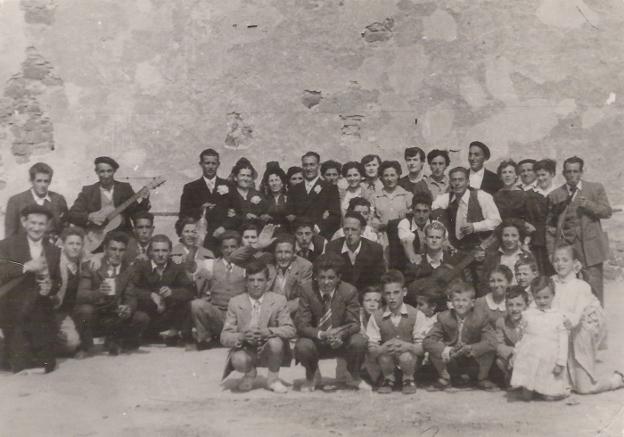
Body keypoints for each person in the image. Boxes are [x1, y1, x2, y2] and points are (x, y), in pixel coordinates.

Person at [551, 245, 624, 394]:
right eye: (556, 260)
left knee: (584, 388)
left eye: (565, 260)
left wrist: (564, 320)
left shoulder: (581, 286)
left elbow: (576, 316)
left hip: (579, 335)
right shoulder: (550, 283)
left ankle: (616, 380)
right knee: (556, 385)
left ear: (575, 263)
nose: (560, 264)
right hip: (558, 336)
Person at [294, 253, 369, 392]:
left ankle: (354, 375)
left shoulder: (349, 291)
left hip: (340, 340)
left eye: (331, 277)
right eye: (321, 277)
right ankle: (311, 376)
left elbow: (354, 323)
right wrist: (322, 334)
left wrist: (341, 334)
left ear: (339, 278)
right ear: (315, 277)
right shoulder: (307, 290)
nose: (326, 282)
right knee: (302, 345)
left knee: (358, 341)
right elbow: (302, 325)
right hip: (316, 340)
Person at [0, 204, 60, 373]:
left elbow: (58, 281)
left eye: (41, 224)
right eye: (32, 223)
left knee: (47, 362)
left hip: (41, 309)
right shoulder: (7, 245)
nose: (36, 228)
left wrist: (50, 287)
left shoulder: (54, 250)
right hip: (12, 308)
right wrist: (25, 267)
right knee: (19, 362)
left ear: (47, 225)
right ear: (24, 222)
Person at [221, 260, 295, 393]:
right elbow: (224, 336)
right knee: (237, 359)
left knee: (276, 343)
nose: (256, 284)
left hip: (269, 349)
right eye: (252, 280)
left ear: (267, 282)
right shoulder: (235, 302)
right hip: (247, 349)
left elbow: (290, 329)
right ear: (246, 282)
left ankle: (273, 379)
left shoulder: (278, 300)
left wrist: (268, 332)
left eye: (260, 280)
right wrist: (242, 336)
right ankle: (249, 373)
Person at [546, 156, 611, 303]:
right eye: (568, 172)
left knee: (594, 289)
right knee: (567, 290)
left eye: (575, 171)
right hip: (566, 249)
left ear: (581, 172)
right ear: (563, 173)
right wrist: (551, 251)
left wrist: (589, 205)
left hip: (590, 249)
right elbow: (550, 227)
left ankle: (596, 323)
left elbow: (607, 212)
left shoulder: (595, 188)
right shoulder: (555, 195)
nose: (572, 175)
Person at [75, 231, 148, 355]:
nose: (117, 254)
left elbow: (130, 296)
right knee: (85, 310)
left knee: (141, 318)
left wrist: (128, 308)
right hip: (96, 314)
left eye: (121, 250)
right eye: (113, 249)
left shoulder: (128, 270)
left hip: (115, 314)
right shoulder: (92, 266)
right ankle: (86, 346)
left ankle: (120, 341)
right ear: (105, 249)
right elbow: (81, 295)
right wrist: (99, 292)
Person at [423, 281, 498, 391]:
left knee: (489, 350)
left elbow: (492, 341)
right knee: (434, 348)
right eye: (457, 300)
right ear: (451, 302)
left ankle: (482, 378)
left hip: (472, 358)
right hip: (452, 359)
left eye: (464, 300)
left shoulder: (481, 317)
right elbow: (427, 341)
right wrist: (447, 350)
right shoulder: (444, 317)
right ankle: (445, 378)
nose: (460, 304)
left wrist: (471, 348)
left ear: (472, 303)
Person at [366, 270, 427, 394]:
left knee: (406, 356)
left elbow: (422, 348)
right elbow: (371, 349)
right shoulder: (376, 316)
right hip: (387, 362)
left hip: (410, 362)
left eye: (396, 292)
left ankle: (408, 379)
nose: (392, 297)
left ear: (404, 292)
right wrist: (382, 348)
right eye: (388, 293)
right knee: (383, 356)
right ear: (383, 295)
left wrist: (407, 346)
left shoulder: (416, 315)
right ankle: (388, 378)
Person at [128, 234, 194, 345]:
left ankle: (175, 333)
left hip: (168, 314)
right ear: (150, 252)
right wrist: (151, 295)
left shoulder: (177, 266)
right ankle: (145, 334)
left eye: (164, 251)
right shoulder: (141, 266)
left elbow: (189, 291)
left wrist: (172, 292)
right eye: (156, 250)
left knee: (186, 303)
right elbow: (131, 289)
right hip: (148, 312)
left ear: (169, 252)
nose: (160, 255)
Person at [510, 276, 569, 401]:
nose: (542, 301)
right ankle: (530, 388)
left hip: (549, 359)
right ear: (533, 297)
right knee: (526, 395)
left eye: (546, 297)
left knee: (549, 396)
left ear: (553, 295)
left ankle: (548, 390)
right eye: (538, 298)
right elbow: (522, 337)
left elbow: (563, 342)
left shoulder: (558, 316)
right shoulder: (528, 314)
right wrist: (516, 354)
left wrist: (560, 362)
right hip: (531, 356)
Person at [190, 231, 247, 349]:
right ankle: (205, 339)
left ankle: (232, 338)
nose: (229, 250)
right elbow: (191, 266)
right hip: (218, 313)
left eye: (233, 247)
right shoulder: (211, 264)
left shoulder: (246, 266)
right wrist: (193, 248)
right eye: (225, 247)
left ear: (239, 248)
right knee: (197, 304)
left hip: (239, 316)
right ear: (220, 249)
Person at [67, 156, 150, 236]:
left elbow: (136, 214)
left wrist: (145, 200)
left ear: (114, 171)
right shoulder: (88, 191)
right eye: (102, 171)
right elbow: (72, 214)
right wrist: (89, 217)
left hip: (122, 237)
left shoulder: (124, 188)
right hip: (96, 238)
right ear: (96, 172)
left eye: (109, 171)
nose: (106, 175)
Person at [432, 166, 501, 253]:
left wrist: (474, 226)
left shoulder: (481, 196)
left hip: (481, 249)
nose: (457, 183)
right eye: (454, 180)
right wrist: (444, 238)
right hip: (458, 250)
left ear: (468, 182)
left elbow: (496, 221)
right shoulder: (447, 198)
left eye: (461, 180)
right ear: (450, 183)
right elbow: (433, 212)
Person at [178, 148, 234, 250]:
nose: (210, 167)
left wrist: (224, 227)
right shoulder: (190, 187)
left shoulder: (228, 186)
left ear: (218, 164)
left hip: (222, 239)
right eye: (207, 163)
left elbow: (238, 214)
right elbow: (183, 214)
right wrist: (200, 209)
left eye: (213, 163)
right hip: (200, 239)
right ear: (201, 164)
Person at [5, 162, 68, 240]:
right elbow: (10, 235)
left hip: (52, 247)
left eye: (46, 181)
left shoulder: (58, 200)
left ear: (50, 181)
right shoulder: (16, 201)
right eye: (39, 181)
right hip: (24, 248)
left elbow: (65, 228)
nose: (43, 185)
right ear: (31, 181)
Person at [325, 212, 385, 291]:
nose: (349, 233)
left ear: (362, 230)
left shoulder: (374, 249)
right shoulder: (332, 248)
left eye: (353, 229)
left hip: (366, 297)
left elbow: (379, 281)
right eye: (346, 229)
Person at [287, 151, 341, 239]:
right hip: (299, 235)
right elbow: (289, 213)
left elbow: (335, 215)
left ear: (318, 166)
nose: (308, 168)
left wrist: (317, 228)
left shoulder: (329, 188)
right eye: (305, 165)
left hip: (320, 235)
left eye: (312, 164)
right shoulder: (294, 189)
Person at [53, 228, 85, 356]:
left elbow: (93, 255)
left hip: (69, 311)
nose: (75, 247)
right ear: (63, 245)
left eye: (78, 244)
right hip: (55, 310)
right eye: (71, 243)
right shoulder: (56, 262)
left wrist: (96, 259)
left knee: (72, 342)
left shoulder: (80, 260)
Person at [266, 234, 313, 314]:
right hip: (267, 311)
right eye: (279, 252)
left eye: (287, 252)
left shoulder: (305, 266)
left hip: (292, 314)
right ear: (274, 253)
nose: (283, 257)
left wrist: (279, 312)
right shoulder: (267, 265)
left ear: (294, 253)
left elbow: (303, 297)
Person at [481, 219, 532, 286]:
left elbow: (533, 282)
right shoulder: (492, 256)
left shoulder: (526, 256)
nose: (510, 240)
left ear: (519, 237)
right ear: (501, 236)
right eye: (506, 235)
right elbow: (484, 282)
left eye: (514, 235)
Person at [495, 286, 528, 386]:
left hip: (528, 355)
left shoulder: (530, 321)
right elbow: (498, 345)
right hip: (512, 356)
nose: (514, 309)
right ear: (505, 306)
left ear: (526, 306)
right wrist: (513, 352)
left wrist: (519, 353)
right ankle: (510, 376)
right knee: (499, 361)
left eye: (519, 305)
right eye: (510, 305)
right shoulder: (501, 322)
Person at [371, 160, 413, 233]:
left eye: (392, 175)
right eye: (386, 175)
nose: (389, 179)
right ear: (381, 177)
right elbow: (370, 217)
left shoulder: (407, 195)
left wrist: (407, 212)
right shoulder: (375, 197)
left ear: (398, 175)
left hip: (402, 234)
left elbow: (415, 215)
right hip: (382, 235)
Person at [170, 217, 215, 282]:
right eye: (187, 231)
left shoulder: (208, 254)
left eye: (194, 232)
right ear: (180, 234)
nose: (190, 235)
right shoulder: (173, 253)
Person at [228, 158, 268, 229]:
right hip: (234, 230)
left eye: (248, 176)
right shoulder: (229, 194)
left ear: (252, 179)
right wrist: (244, 217)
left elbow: (265, 214)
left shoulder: (258, 195)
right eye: (242, 175)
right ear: (235, 178)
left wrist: (260, 217)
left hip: (256, 230)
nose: (246, 179)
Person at [396, 191, 433, 265]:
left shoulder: (435, 223)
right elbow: (407, 242)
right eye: (418, 211)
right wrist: (413, 257)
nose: (421, 216)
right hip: (410, 266)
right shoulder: (405, 223)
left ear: (430, 211)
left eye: (425, 211)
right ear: (412, 210)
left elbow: (445, 242)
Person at [492, 160, 531, 226]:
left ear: (516, 175)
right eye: (504, 172)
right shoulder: (495, 196)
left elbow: (529, 220)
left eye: (510, 172)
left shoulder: (524, 195)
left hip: (520, 230)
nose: (507, 175)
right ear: (500, 177)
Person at [259, 162, 289, 228]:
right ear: (268, 184)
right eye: (271, 181)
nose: (274, 183)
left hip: (286, 230)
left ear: (282, 183)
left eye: (277, 180)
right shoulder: (263, 199)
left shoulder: (289, 198)